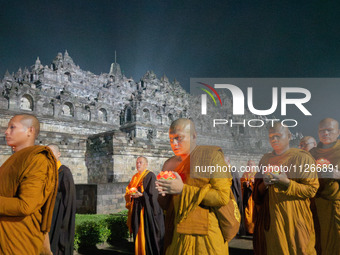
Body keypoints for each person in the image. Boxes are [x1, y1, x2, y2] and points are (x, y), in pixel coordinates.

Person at [156, 118, 232, 254]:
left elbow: (222, 196)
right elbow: (166, 205)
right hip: (177, 234)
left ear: (194, 136)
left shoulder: (211, 157)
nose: (174, 143)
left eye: (179, 138)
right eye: (171, 139)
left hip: (206, 236)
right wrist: (164, 193)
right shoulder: (169, 164)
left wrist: (182, 189)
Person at [253, 122, 319, 255]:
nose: (274, 139)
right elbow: (257, 193)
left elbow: (311, 190)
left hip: (294, 220)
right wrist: (264, 184)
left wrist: (287, 183)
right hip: (270, 221)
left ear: (289, 136)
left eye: (277, 135)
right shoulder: (265, 159)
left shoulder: (302, 158)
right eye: (271, 136)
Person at [0, 114, 58, 255]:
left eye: (12, 127)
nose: (6, 131)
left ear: (30, 131)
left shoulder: (38, 159)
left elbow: (26, 205)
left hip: (19, 241)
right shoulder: (14, 159)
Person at [310, 118, 340, 255]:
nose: (325, 133)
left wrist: (338, 175)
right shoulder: (312, 153)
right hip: (315, 203)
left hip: (336, 204)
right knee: (317, 239)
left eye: (329, 130)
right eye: (322, 130)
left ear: (338, 132)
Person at [125, 156, 165, 255]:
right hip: (136, 209)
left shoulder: (150, 176)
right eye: (137, 162)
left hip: (145, 210)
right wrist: (130, 194)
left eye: (140, 162)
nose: (138, 164)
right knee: (137, 232)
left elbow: (154, 194)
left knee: (144, 233)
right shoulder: (135, 177)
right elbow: (128, 189)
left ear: (146, 164)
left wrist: (142, 195)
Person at [44, 144, 76, 255]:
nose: (49, 156)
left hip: (59, 216)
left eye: (52, 153)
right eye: (47, 153)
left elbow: (69, 200)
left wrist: (65, 224)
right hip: (46, 216)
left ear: (59, 154)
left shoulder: (64, 172)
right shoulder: (45, 172)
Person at [225, 155, 245, 236]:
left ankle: (236, 230)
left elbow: (237, 184)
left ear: (228, 161)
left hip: (233, 195)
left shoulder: (233, 170)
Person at [240, 160, 257, 235]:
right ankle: (248, 231)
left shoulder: (257, 174)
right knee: (247, 214)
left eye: (251, 165)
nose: (250, 166)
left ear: (254, 166)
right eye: (248, 165)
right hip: (247, 197)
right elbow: (241, 183)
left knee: (254, 214)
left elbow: (260, 185)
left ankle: (254, 231)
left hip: (254, 198)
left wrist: (254, 182)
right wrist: (244, 183)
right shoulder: (245, 174)